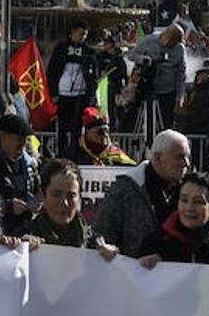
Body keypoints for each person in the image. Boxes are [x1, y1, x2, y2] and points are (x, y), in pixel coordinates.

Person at [93, 129, 192, 257]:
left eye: (187, 157)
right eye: (179, 157)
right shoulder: (124, 190)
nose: (186, 163)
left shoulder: (188, 190)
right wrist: (105, 248)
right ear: (157, 157)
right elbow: (102, 233)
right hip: (132, 273)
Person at [28, 158, 118, 259]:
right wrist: (20, 249)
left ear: (80, 198)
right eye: (56, 195)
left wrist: (112, 257)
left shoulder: (95, 244)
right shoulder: (25, 236)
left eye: (71, 195)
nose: (65, 203)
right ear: (43, 197)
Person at [47, 21, 97, 155]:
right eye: (80, 33)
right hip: (63, 95)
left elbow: (93, 76)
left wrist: (91, 95)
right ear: (72, 32)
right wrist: (54, 93)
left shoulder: (89, 51)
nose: (82, 37)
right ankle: (61, 153)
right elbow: (51, 71)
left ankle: (75, 153)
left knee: (77, 128)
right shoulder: (61, 48)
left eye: (85, 34)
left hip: (81, 95)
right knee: (62, 128)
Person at [68, 106, 137, 167]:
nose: (105, 135)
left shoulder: (117, 157)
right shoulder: (73, 158)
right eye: (100, 131)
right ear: (86, 133)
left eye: (106, 131)